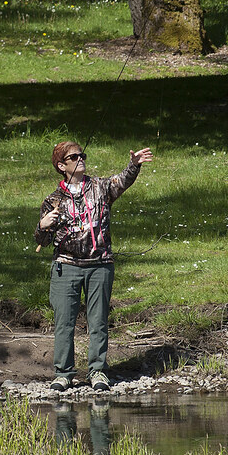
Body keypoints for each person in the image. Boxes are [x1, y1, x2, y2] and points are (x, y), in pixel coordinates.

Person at [34, 141, 153, 391]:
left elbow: (122, 181)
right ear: (61, 166)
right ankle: (63, 374)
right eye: (73, 157)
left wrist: (134, 165)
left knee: (98, 321)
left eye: (82, 155)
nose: (80, 159)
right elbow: (42, 242)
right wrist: (42, 226)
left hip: (100, 265)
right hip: (65, 266)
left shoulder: (100, 187)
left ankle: (97, 371)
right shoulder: (53, 200)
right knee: (64, 323)